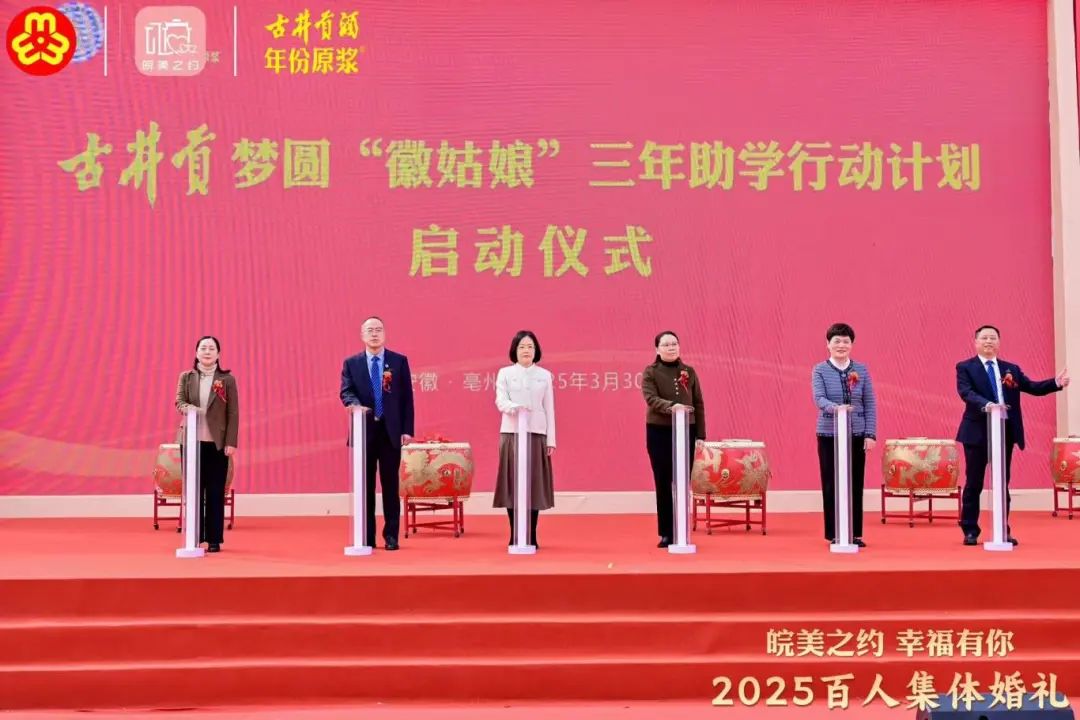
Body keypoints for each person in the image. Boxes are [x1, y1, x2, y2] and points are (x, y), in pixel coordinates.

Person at [956, 325, 1069, 546]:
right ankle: (970, 529)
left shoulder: (1010, 369)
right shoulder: (965, 367)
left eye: (993, 338)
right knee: (974, 483)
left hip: (1004, 432)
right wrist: (988, 404)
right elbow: (966, 392)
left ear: (999, 343)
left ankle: (1002, 530)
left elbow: (1032, 387)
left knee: (1002, 483)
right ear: (976, 342)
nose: (989, 341)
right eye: (984, 338)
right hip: (977, 433)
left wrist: (1055, 383)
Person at [340, 316, 415, 551]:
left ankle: (391, 536)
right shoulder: (351, 363)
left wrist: (407, 430)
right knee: (366, 487)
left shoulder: (398, 361)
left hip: (391, 432)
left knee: (390, 486)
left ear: (385, 334)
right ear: (362, 335)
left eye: (378, 330)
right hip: (364, 431)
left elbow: (407, 398)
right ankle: (367, 536)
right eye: (370, 330)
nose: (374, 334)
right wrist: (354, 405)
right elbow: (346, 391)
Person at [811, 323, 877, 548]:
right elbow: (819, 398)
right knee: (831, 482)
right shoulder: (820, 370)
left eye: (846, 341)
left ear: (852, 344)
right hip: (829, 433)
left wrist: (870, 434)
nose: (841, 345)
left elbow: (869, 403)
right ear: (828, 344)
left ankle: (854, 533)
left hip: (856, 433)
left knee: (855, 483)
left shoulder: (862, 370)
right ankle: (835, 533)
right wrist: (836, 408)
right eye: (836, 341)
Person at [174, 336, 238, 553]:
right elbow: (179, 401)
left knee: (215, 490)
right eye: (203, 348)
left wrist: (231, 441)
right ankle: (194, 535)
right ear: (196, 352)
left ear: (218, 354)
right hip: (191, 441)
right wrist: (190, 409)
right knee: (193, 490)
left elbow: (233, 413)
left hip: (217, 443)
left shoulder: (227, 380)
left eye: (212, 348)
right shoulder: (186, 377)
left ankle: (213, 538)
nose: (207, 352)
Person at [642, 331, 705, 548]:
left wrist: (701, 434)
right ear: (657, 349)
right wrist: (671, 407)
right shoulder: (651, 372)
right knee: (663, 482)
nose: (671, 348)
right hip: (659, 432)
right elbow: (650, 398)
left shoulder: (689, 371)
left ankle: (682, 530)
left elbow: (698, 403)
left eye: (674, 344)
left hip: (686, 430)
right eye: (666, 344)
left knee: (683, 481)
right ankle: (666, 532)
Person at [493, 330, 556, 548]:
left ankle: (531, 535)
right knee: (512, 486)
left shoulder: (544, 375)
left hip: (536, 434)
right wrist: (516, 408)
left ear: (536, 350)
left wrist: (551, 440)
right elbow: (501, 400)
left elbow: (549, 408)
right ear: (515, 351)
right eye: (522, 347)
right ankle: (515, 534)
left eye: (530, 346)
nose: (526, 350)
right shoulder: (505, 373)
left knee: (534, 486)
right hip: (511, 433)